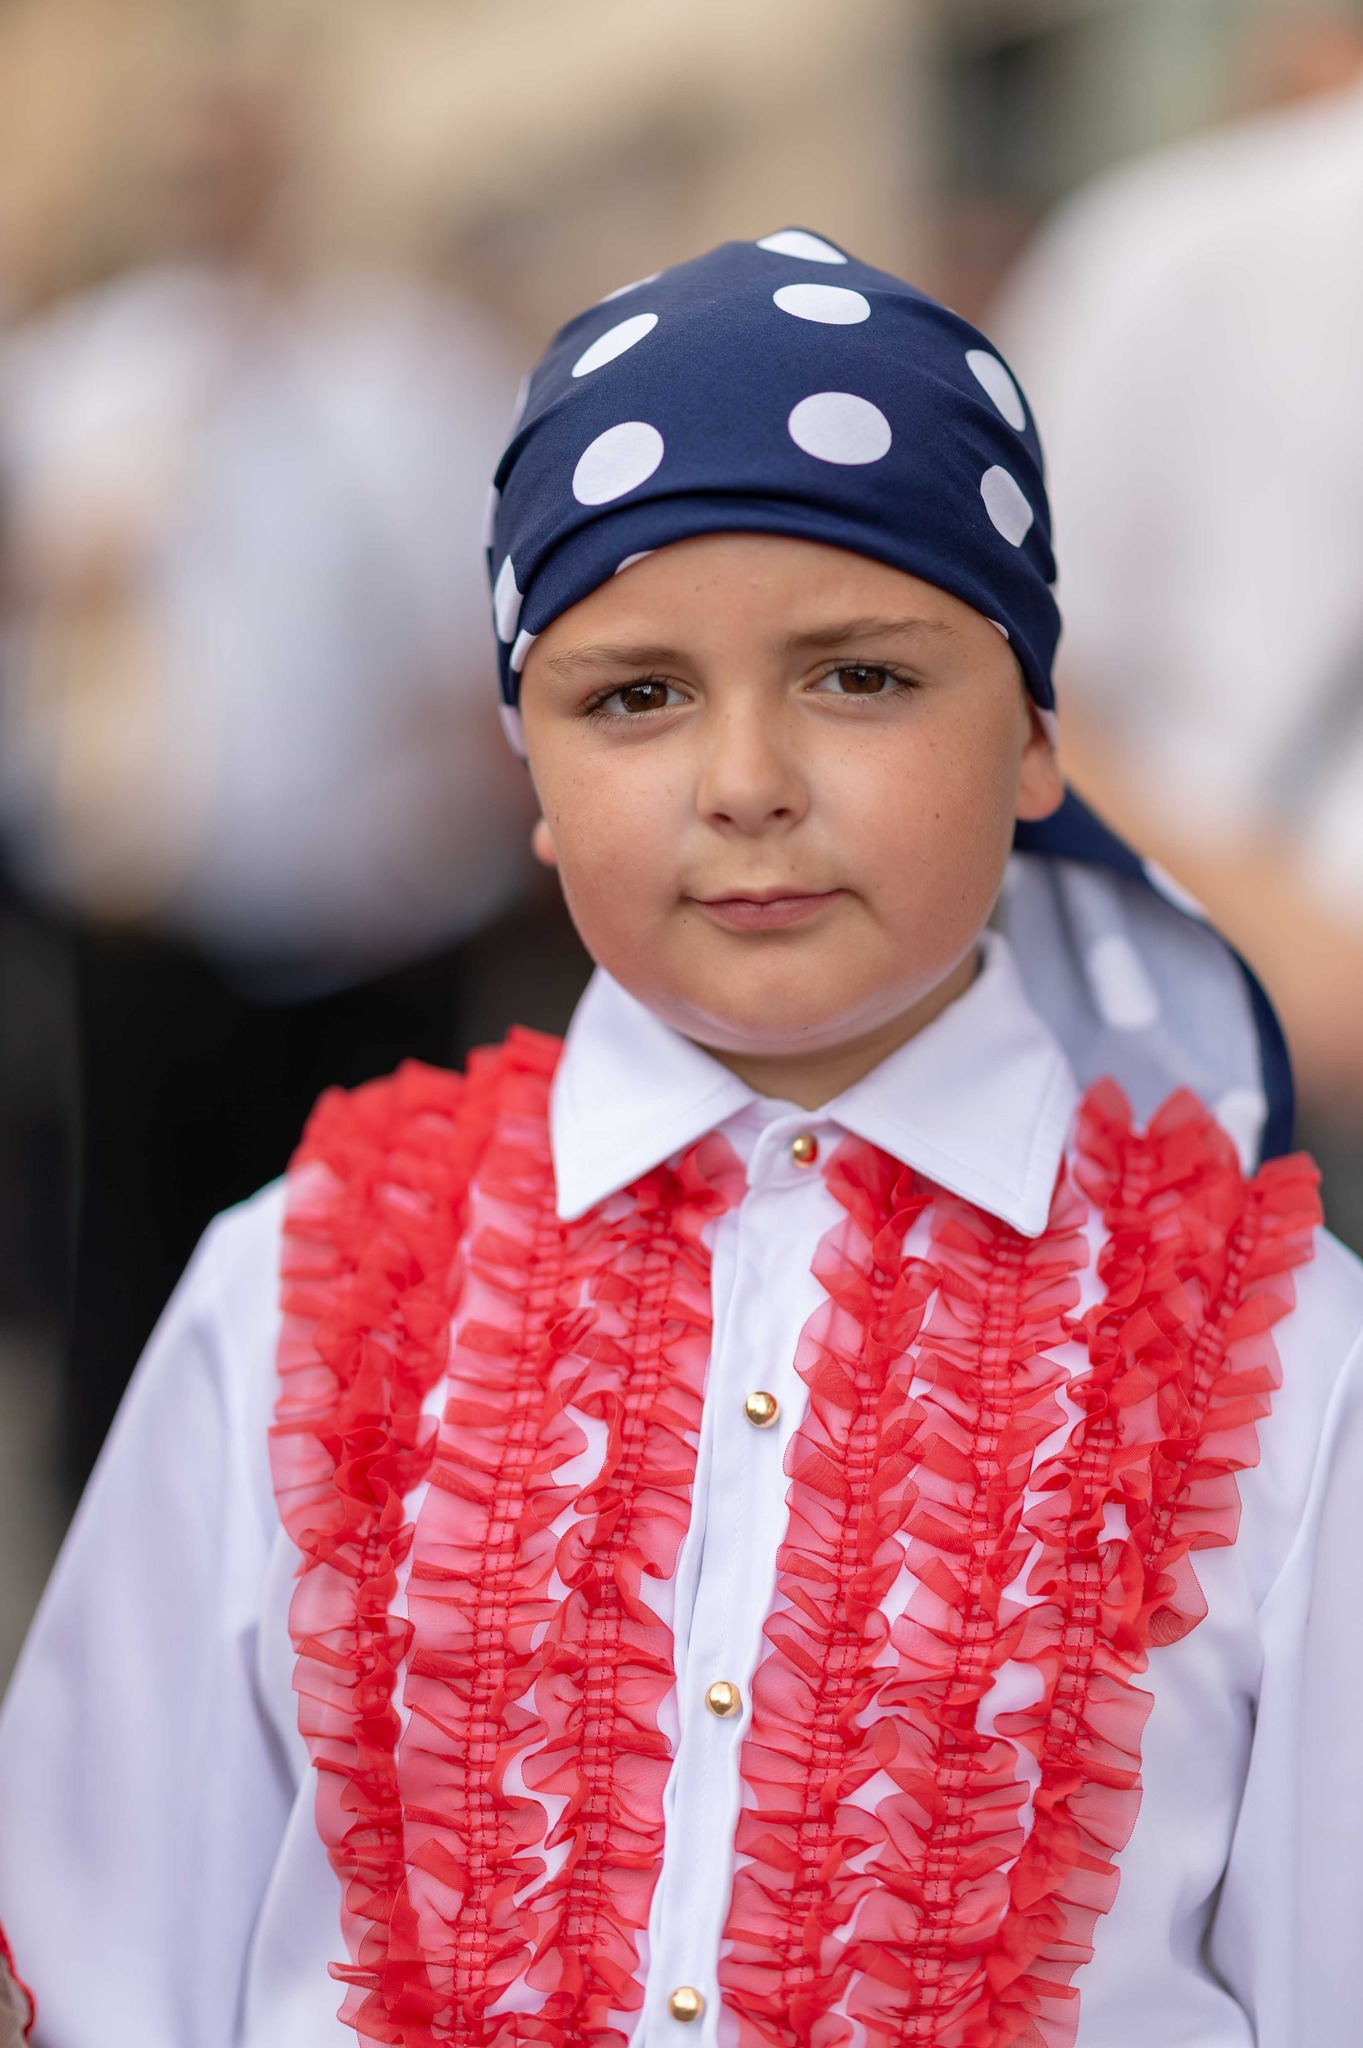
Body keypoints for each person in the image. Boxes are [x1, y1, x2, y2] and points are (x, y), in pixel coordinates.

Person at [0, 230, 1360, 2048]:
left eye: (857, 677)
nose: (745, 783)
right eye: (632, 695)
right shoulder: (300, 1288)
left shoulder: (1271, 1354)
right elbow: (110, 1955)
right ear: (526, 769)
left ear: (1039, 732)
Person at [0, 59, 534, 1485]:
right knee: (136, 1263)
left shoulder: (413, 364)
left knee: (379, 1281)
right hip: (151, 911)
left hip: (382, 916)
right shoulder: (83, 372)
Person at [991, 51, 1363, 1248]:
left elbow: (997, 657)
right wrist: (1259, 938)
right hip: (1248, 1035)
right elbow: (1003, 660)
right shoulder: (1177, 250)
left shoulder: (1163, 241)